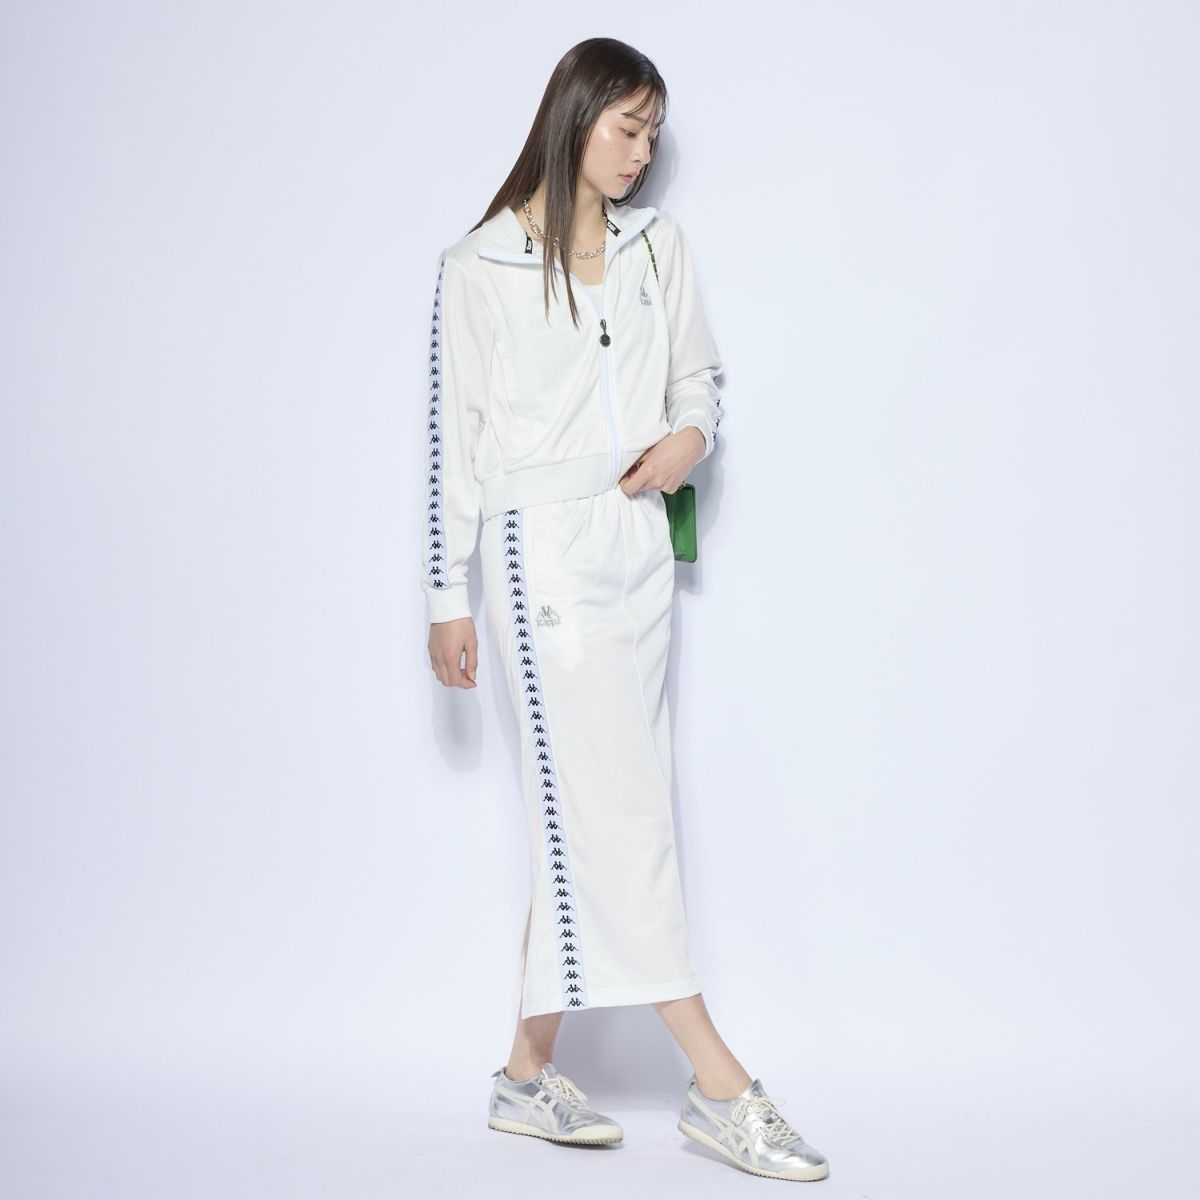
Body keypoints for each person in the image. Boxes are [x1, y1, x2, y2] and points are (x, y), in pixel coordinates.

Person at [420, 37, 829, 1182]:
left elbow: (699, 380)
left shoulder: (659, 247)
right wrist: (446, 594)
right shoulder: (478, 264)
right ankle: (720, 1085)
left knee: (597, 808)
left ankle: (522, 1077)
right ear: (576, 116)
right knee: (623, 817)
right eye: (628, 128)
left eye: (655, 135)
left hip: (639, 551)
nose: (643, 154)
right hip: (539, 559)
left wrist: (689, 439)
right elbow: (455, 443)